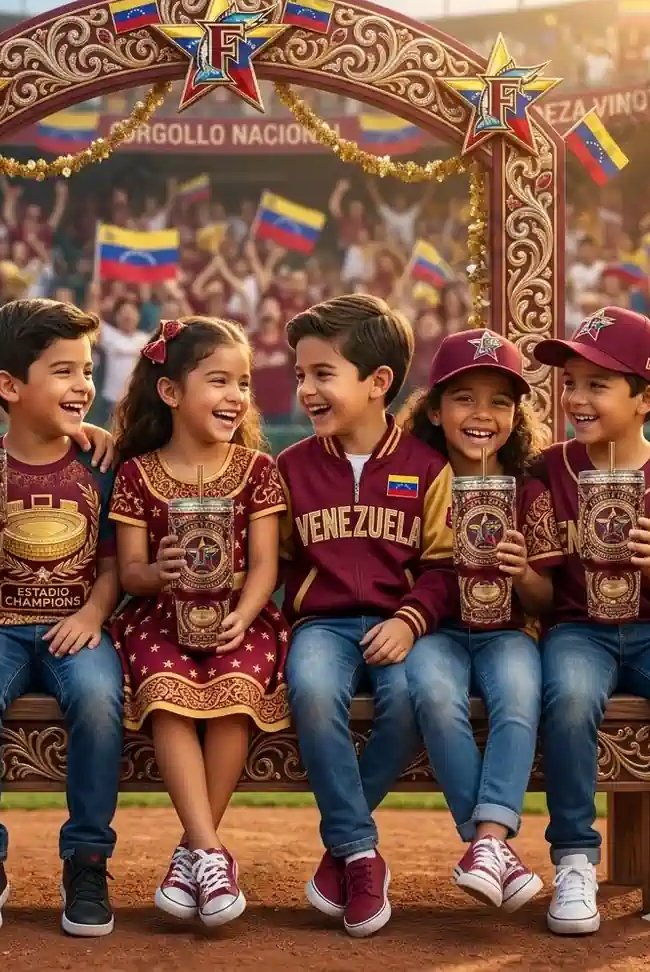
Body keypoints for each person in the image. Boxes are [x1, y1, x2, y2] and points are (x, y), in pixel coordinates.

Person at [531, 307, 650, 937]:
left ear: (647, 398)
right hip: (575, 627)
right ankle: (577, 861)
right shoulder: (550, 469)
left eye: (597, 384)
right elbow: (541, 590)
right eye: (572, 383)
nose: (576, 397)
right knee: (569, 696)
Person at [0, 299, 123, 940]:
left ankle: (88, 862)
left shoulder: (100, 466)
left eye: (87, 370)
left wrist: (95, 614)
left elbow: (113, 566)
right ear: (11, 386)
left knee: (102, 699)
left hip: (79, 624)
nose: (83, 387)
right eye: (65, 371)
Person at [278, 294, 456, 938]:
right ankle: (360, 852)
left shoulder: (425, 467)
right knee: (314, 690)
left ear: (378, 382)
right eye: (301, 375)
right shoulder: (291, 466)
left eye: (323, 373)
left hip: (398, 622)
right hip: (321, 625)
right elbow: (277, 562)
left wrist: (411, 619)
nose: (307, 389)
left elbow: (442, 567)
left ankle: (342, 852)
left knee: (408, 700)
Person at [108, 317, 290, 928]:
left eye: (243, 383)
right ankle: (210, 850)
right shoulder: (136, 475)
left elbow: (265, 564)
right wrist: (156, 571)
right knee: (168, 696)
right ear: (171, 392)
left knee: (233, 695)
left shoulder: (257, 469)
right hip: (159, 617)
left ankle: (194, 853)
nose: (237, 396)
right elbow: (130, 573)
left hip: (243, 616)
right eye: (219, 381)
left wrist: (242, 613)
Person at [398, 328, 552, 912]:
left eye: (499, 401)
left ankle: (488, 843)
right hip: (435, 632)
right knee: (435, 697)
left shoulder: (529, 488)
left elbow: (543, 598)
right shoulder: (412, 476)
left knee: (518, 696)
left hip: (507, 632)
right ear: (434, 409)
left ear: (516, 414)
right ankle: (491, 847)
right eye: (464, 397)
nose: (482, 413)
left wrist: (522, 572)